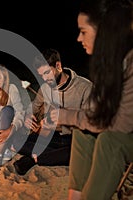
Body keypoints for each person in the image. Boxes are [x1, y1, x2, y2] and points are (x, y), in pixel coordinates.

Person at [46, 1, 133, 199]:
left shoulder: (130, 63)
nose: (78, 38)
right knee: (83, 132)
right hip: (118, 130)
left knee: (110, 141)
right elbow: (95, 114)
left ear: (105, 32)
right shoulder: (108, 65)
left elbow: (120, 124)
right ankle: (74, 197)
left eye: (83, 31)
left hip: (125, 135)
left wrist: (65, 116)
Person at [13, 48, 93, 175]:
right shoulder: (45, 88)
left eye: (47, 73)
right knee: (17, 141)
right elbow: (33, 107)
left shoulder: (85, 87)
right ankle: (42, 155)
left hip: (76, 139)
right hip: (53, 137)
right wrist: (28, 117)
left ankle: (33, 158)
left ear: (58, 65)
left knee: (78, 152)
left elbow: (90, 123)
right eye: (41, 75)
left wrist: (61, 124)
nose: (45, 78)